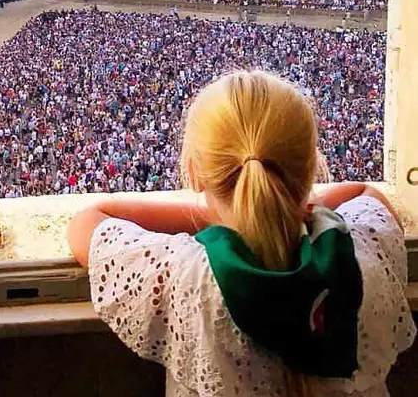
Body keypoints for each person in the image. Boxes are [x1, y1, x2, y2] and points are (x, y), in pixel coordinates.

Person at [67, 71, 414, 396]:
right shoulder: (365, 253)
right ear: (310, 167)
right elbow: (366, 195)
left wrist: (224, 218)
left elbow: (89, 222)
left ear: (194, 173)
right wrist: (291, 208)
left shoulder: (183, 275)